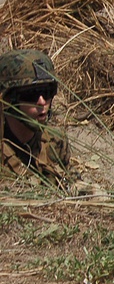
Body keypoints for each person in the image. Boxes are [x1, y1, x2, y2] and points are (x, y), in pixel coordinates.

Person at [0, 49, 72, 184]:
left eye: (47, 92)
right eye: (31, 94)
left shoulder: (55, 142)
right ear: (8, 99)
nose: (42, 102)